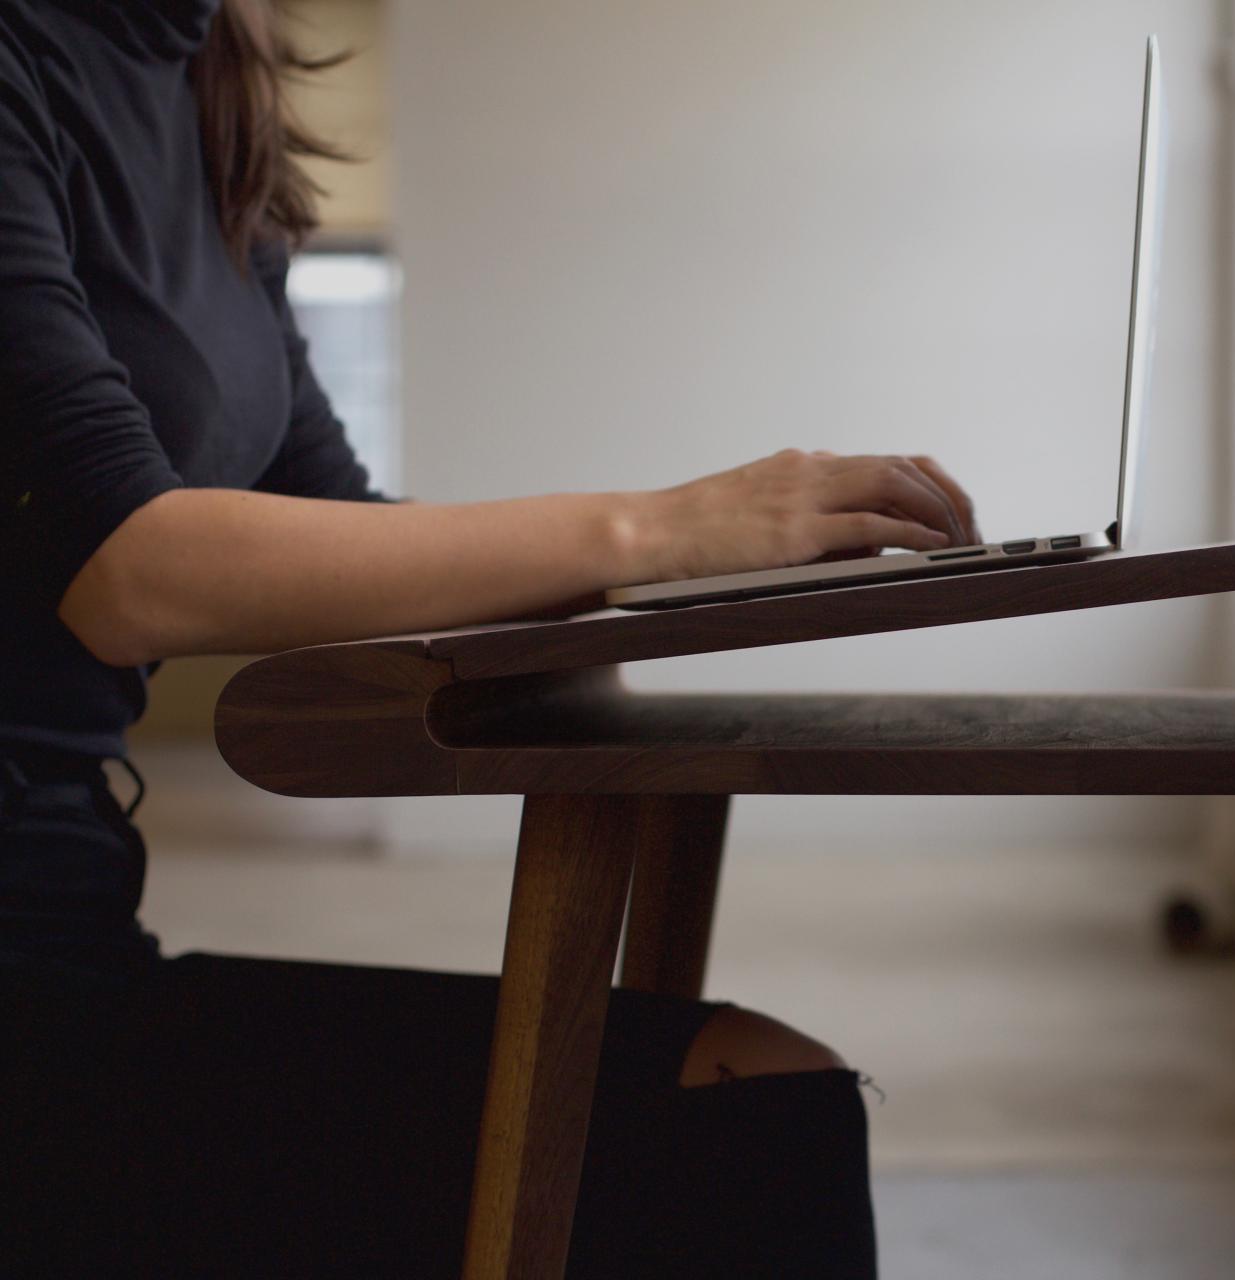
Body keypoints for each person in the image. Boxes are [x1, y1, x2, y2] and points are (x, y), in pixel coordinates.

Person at [0, 0, 982, 1273]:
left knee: (752, 1089)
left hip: (69, 908)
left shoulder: (209, 78)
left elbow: (341, 534)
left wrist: (710, 570)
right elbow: (125, 566)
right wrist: (655, 529)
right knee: (728, 1129)